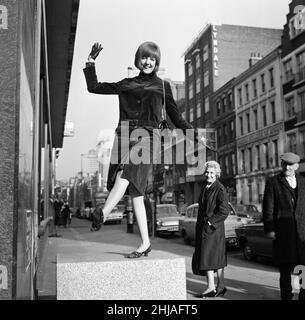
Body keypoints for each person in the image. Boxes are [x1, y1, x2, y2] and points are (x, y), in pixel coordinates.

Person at [83, 41, 196, 258]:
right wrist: (90, 63)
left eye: (152, 59)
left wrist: (191, 133)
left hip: (149, 136)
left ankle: (103, 213)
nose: (148, 62)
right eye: (144, 58)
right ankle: (145, 243)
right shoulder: (126, 83)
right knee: (136, 192)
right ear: (138, 59)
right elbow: (94, 87)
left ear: (157, 62)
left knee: (128, 174)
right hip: (125, 134)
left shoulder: (163, 86)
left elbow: (175, 115)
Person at [262, 152, 305, 300]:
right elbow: (268, 208)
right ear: (281, 165)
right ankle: (286, 296)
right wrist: (270, 229)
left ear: (296, 166)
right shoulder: (273, 182)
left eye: (290, 164)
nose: (287, 167)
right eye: (285, 164)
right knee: (285, 269)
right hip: (283, 233)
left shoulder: (303, 181)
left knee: (302, 267)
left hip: (302, 233)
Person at [192, 161, 230, 298]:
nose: (209, 175)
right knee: (216, 258)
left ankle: (211, 287)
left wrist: (209, 222)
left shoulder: (219, 188)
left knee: (208, 257)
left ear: (217, 174)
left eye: (212, 173)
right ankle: (220, 286)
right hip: (206, 229)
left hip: (213, 230)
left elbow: (224, 211)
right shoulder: (206, 187)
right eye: (207, 172)